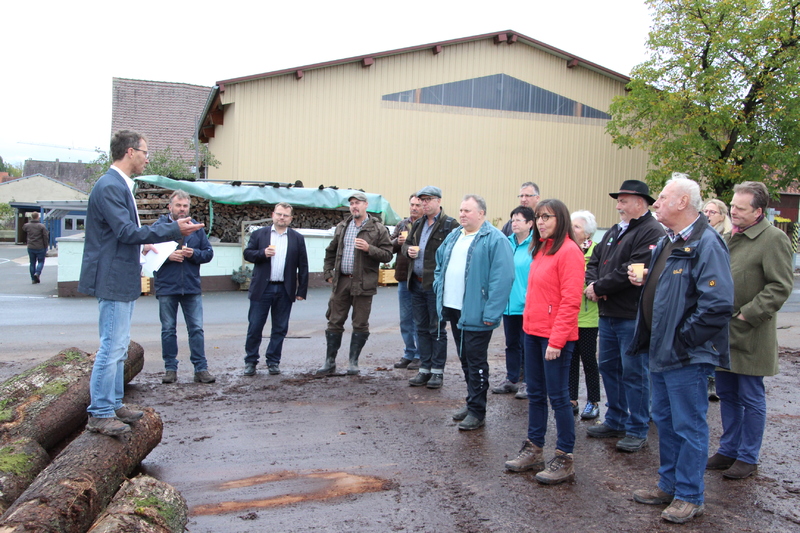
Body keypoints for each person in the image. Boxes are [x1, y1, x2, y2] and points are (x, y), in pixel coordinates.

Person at [79, 130, 204, 437]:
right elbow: (124, 232)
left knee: (119, 345)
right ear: (131, 152)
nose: (148, 158)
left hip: (119, 276)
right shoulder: (110, 185)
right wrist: (172, 230)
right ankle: (99, 412)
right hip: (112, 278)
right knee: (112, 346)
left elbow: (121, 236)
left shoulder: (118, 184)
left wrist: (143, 247)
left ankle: (111, 403)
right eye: (145, 152)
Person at [629, 175, 733, 524]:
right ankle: (669, 485)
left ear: (683, 202)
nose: (656, 203)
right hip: (662, 351)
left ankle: (689, 495)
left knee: (688, 425)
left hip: (686, 356)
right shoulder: (669, 242)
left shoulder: (707, 243)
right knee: (667, 422)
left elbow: (717, 304)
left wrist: (683, 339)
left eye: (662, 198)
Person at [707, 181, 794, 480]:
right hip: (723, 332)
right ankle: (729, 449)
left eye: (740, 208)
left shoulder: (772, 240)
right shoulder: (730, 236)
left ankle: (748, 457)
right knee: (727, 394)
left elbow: (780, 286)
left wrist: (748, 314)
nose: (733, 211)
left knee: (750, 396)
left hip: (750, 333)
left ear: (759, 211)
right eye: (731, 206)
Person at [504, 199, 584, 484]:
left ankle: (565, 457)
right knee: (536, 394)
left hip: (554, 338)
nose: (540, 222)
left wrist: (557, 340)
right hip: (533, 332)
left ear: (560, 219)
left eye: (546, 217)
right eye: (538, 217)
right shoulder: (540, 249)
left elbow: (570, 301)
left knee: (559, 397)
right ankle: (534, 448)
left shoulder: (569, 252)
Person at [584, 179, 665, 452]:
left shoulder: (651, 231)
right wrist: (593, 285)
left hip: (631, 315)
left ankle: (637, 427)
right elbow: (594, 261)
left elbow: (634, 269)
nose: (618, 205)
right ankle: (615, 418)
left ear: (641, 202)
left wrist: (599, 287)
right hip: (608, 314)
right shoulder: (614, 231)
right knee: (609, 368)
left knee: (635, 373)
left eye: (624, 200)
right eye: (618, 200)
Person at [434, 195, 514, 430]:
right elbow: (439, 264)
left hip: (477, 312)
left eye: (468, 210)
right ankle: (472, 403)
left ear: (481, 213)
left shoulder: (495, 240)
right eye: (460, 210)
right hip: (455, 309)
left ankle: (478, 412)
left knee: (476, 360)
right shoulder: (454, 235)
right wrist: (439, 288)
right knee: (465, 359)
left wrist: (491, 313)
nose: (462, 214)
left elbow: (503, 278)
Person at [316, 192, 392, 376]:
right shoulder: (343, 226)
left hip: (364, 283)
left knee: (360, 323)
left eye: (357, 203)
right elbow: (330, 252)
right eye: (351, 203)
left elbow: (388, 254)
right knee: (334, 321)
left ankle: (353, 362)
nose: (354, 206)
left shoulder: (378, 229)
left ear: (366, 205)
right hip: (341, 281)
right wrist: (328, 274)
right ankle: (330, 362)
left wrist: (369, 248)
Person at [152, 190, 215, 384]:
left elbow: (208, 253)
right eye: (178, 205)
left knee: (196, 329)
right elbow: (147, 253)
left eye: (185, 206)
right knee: (168, 329)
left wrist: (193, 253)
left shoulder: (196, 228)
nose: (182, 209)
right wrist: (167, 257)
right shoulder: (158, 227)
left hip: (191, 287)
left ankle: (200, 369)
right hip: (166, 287)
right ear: (170, 207)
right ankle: (170, 369)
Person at [243, 202, 309, 376]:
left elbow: (303, 265)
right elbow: (247, 254)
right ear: (273, 215)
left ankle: (273, 361)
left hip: (284, 290)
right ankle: (250, 361)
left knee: (280, 328)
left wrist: (301, 290)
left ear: (291, 218)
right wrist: (262, 253)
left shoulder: (297, 238)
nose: (282, 218)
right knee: (255, 326)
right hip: (262, 289)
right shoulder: (259, 234)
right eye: (279, 214)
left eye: (286, 215)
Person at [402, 186, 458, 389]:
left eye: (428, 200)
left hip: (435, 287)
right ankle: (424, 369)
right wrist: (408, 250)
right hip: (416, 284)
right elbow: (405, 245)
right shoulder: (418, 225)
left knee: (436, 329)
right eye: (422, 200)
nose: (424, 204)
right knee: (421, 328)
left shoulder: (449, 225)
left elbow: (455, 254)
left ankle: (437, 372)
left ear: (438, 201)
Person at [493, 206, 534, 397]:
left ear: (530, 224)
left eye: (519, 220)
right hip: (509, 304)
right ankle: (512, 378)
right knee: (511, 344)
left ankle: (528, 382)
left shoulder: (535, 246)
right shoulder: (506, 242)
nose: (514, 223)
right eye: (512, 220)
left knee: (528, 345)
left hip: (527, 304)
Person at [569, 210, 601, 419]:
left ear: (587, 233)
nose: (572, 229)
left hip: (588, 317)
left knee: (588, 360)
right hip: (568, 317)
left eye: (577, 227)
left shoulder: (596, 252)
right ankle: (571, 399)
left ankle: (593, 401)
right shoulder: (566, 250)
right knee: (570, 360)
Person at [702, 197, 733, 401]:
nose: (707, 216)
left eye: (712, 212)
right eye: (705, 211)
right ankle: (709, 378)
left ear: (722, 215)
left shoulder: (727, 237)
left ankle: (714, 380)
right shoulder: (701, 236)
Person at [391, 194, 423, 370]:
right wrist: (398, 241)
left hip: (419, 276)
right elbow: (389, 245)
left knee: (419, 319)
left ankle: (420, 354)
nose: (414, 208)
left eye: (418, 205)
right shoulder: (402, 224)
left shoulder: (426, 225)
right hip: (404, 277)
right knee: (405, 319)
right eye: (412, 204)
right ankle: (409, 353)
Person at [22, 211, 49, 284]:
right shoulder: (41, 226)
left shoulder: (27, 225)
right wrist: (46, 246)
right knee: (41, 261)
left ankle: (33, 279)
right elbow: (45, 237)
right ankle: (37, 273)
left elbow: (24, 231)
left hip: (31, 246)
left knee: (32, 262)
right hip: (40, 247)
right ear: (37, 217)